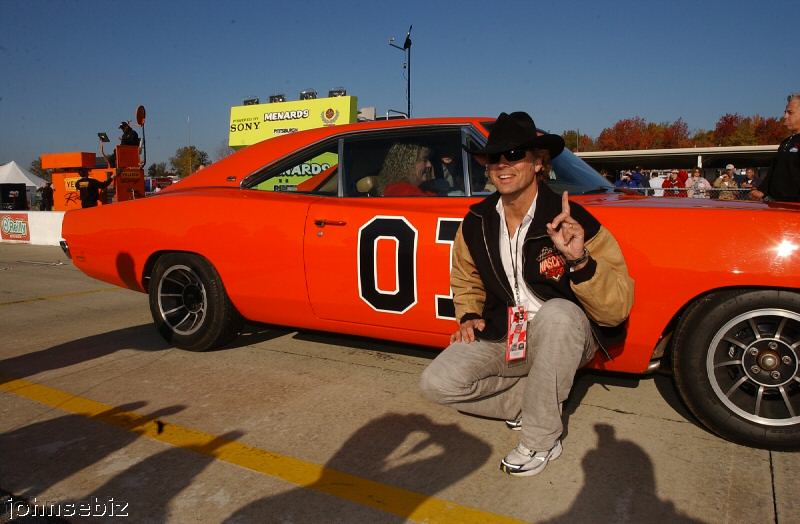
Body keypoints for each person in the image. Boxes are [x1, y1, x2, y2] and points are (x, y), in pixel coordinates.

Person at [419, 111, 634, 477]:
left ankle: (541, 439)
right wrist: (469, 314)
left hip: (565, 335)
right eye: (494, 157)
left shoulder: (573, 219)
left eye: (515, 155)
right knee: (437, 383)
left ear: (538, 164)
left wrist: (579, 259)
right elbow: (466, 277)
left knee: (557, 313)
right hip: (509, 333)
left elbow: (616, 310)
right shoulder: (476, 221)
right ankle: (532, 404)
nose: (503, 164)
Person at [751, 93, 800, 202]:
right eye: (785, 112)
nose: (785, 116)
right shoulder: (786, 143)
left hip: (794, 209)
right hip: (777, 206)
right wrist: (762, 190)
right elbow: (774, 171)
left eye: (790, 112)